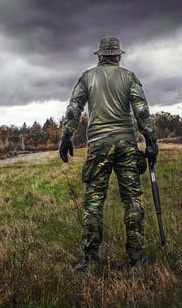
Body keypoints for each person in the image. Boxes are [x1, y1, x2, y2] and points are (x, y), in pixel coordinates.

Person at [59, 36, 158, 271]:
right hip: (126, 144)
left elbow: (74, 109)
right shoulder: (129, 77)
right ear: (119, 56)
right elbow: (142, 111)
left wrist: (66, 137)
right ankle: (137, 256)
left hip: (98, 144)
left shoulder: (87, 77)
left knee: (94, 202)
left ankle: (90, 259)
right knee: (132, 199)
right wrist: (151, 140)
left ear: (99, 56)